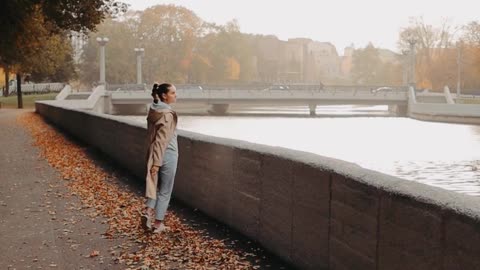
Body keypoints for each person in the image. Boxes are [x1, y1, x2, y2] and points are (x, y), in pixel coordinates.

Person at [142, 83, 178, 233]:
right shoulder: (167, 115)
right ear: (164, 95)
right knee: (165, 190)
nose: (176, 96)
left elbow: (154, 139)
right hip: (167, 153)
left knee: (154, 184)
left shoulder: (154, 110)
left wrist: (155, 161)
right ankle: (158, 224)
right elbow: (162, 140)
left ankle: (148, 210)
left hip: (153, 152)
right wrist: (157, 163)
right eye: (173, 93)